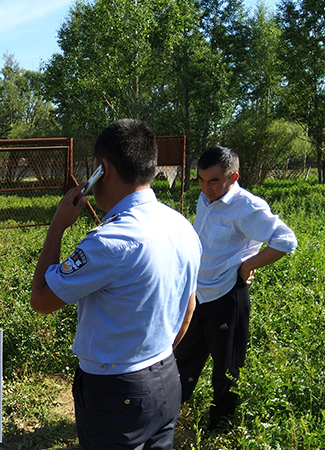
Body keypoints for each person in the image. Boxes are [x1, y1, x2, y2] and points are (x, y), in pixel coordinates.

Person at [30, 118, 202, 449]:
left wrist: (57, 226)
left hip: (116, 390)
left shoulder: (109, 242)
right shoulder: (181, 226)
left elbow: (41, 300)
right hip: (165, 376)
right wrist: (158, 357)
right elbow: (189, 305)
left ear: (103, 169)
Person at [174, 145, 298, 431]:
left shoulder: (247, 207)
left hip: (227, 296)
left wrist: (248, 265)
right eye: (201, 180)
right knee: (186, 358)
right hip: (198, 293)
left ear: (233, 177)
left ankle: (220, 426)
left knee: (227, 366)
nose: (206, 188)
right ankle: (170, 411)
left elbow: (285, 240)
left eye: (214, 181)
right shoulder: (205, 200)